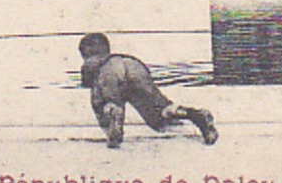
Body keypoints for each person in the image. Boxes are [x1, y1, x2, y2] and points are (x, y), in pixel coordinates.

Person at [78, 33, 219, 149]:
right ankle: (197, 115)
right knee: (160, 111)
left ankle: (113, 118)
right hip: (135, 66)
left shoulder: (91, 63)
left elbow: (94, 90)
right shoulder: (119, 57)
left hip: (109, 72)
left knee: (104, 102)